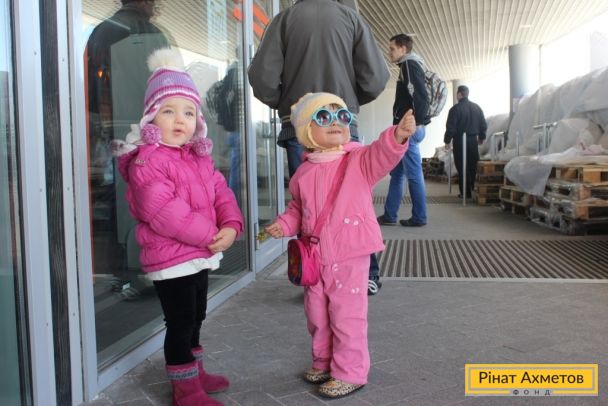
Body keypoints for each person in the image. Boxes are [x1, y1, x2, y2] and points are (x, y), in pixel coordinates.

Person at [112, 48, 244, 406]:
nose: (179, 119)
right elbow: (165, 212)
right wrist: (210, 236)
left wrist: (231, 223)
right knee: (181, 321)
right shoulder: (148, 161)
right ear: (151, 118)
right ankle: (185, 390)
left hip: (198, 254)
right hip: (171, 259)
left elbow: (221, 191)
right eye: (168, 111)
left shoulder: (196, 157)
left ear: (197, 121)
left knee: (197, 315)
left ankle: (195, 374)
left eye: (188, 112)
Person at [264, 93, 416, 399]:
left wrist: (396, 136)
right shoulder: (303, 172)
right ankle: (323, 362)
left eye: (342, 116)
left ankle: (350, 372)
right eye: (323, 117)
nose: (336, 123)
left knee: (347, 315)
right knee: (317, 314)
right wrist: (284, 223)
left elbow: (381, 155)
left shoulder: (358, 161)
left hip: (349, 253)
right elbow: (298, 208)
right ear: (307, 130)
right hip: (316, 256)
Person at [247, 0, 389, 295]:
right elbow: (375, 79)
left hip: (299, 127)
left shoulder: (284, 20)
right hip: (341, 124)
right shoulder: (351, 19)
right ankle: (365, 275)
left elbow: (262, 79)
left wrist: (292, 106)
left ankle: (314, 275)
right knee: (353, 200)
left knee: (307, 205)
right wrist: (346, 103)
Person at [86, 0, 172, 298]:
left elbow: (93, 87)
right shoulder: (153, 33)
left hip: (116, 128)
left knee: (120, 200)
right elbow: (169, 85)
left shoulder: (101, 32)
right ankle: (150, 268)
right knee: (154, 197)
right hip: (152, 130)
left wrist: (100, 124)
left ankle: (121, 271)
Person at [377, 33, 430, 228]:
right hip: (408, 128)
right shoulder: (408, 65)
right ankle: (389, 215)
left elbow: (421, 96)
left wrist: (416, 122)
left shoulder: (409, 64)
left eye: (392, 48)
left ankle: (419, 217)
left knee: (414, 176)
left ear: (403, 48)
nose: (389, 52)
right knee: (397, 174)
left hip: (409, 129)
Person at [444, 85, 487, 198]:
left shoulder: (455, 109)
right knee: (473, 166)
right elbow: (483, 124)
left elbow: (451, 128)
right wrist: (481, 137)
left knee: (462, 166)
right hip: (473, 140)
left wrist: (447, 140)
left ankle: (465, 193)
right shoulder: (477, 108)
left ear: (459, 94)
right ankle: (473, 189)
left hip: (459, 141)